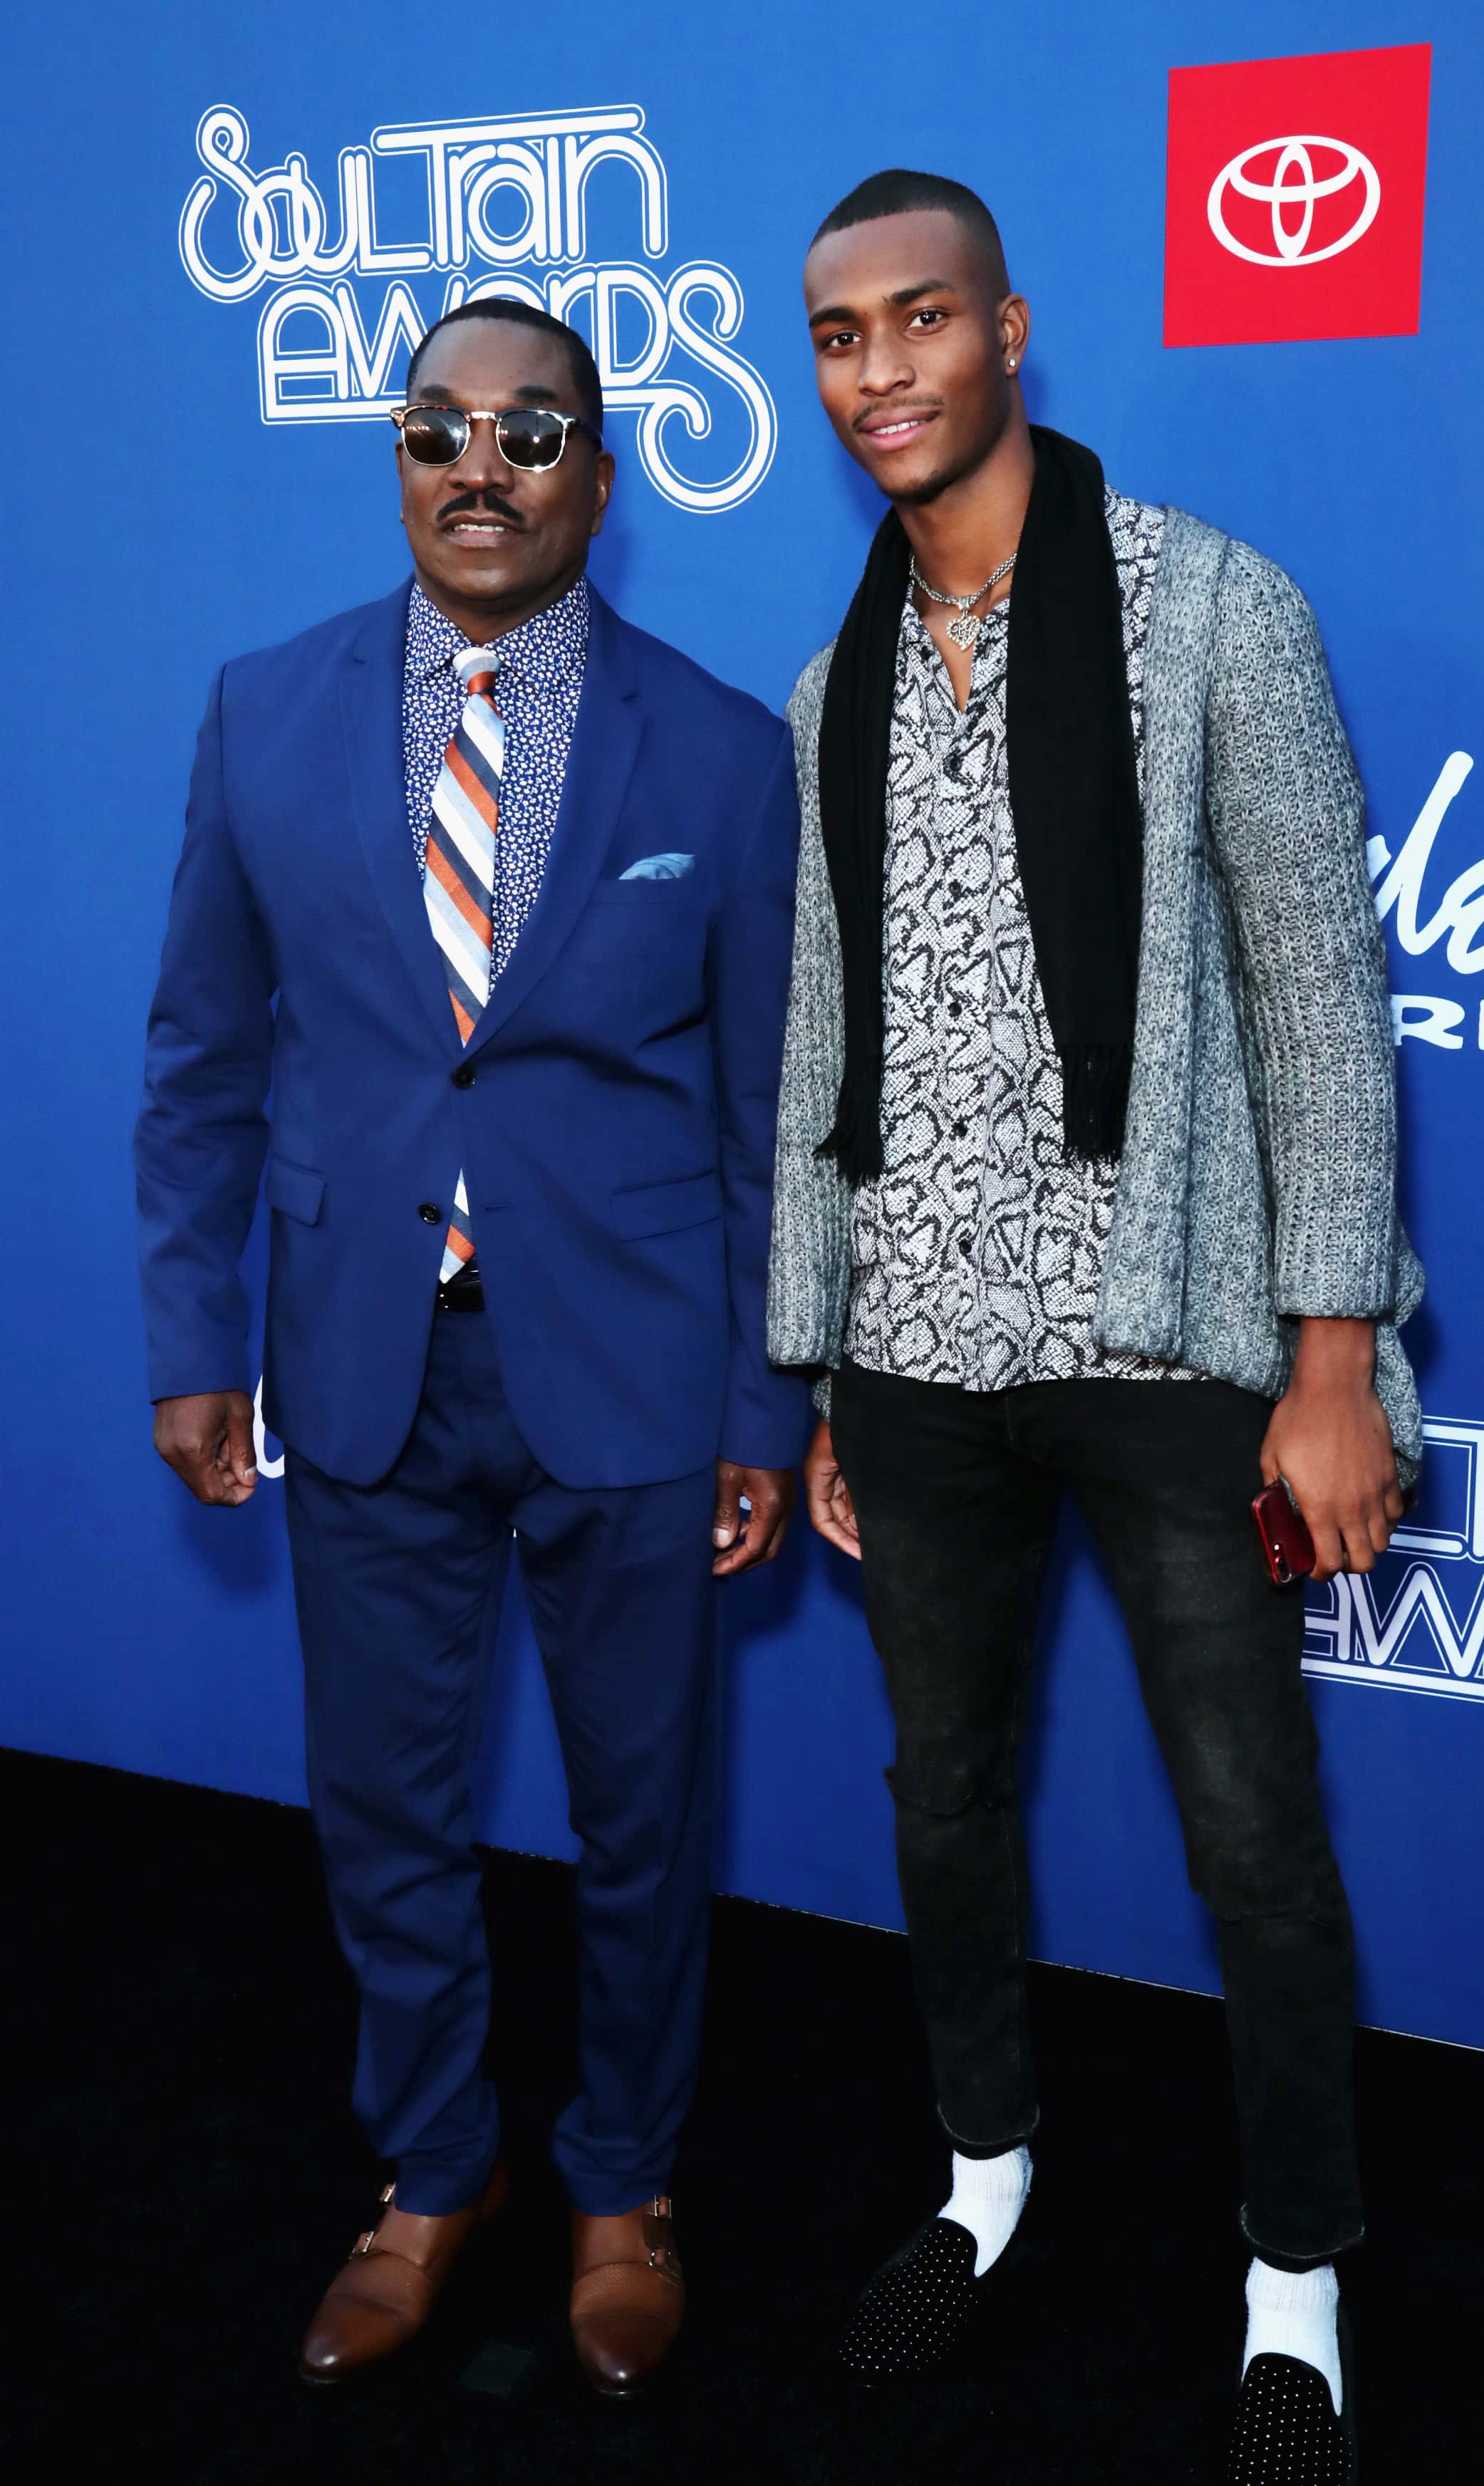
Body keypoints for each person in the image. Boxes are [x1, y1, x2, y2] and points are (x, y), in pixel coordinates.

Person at [767, 170, 1421, 2484]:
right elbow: (826, 1042)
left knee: (1252, 1833)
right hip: (917, 1365)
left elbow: (1323, 1005)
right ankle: (983, 2174)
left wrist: (1331, 1356)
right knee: (941, 1799)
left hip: (1172, 1358)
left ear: (1011, 327)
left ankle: (1295, 2275)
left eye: (920, 318)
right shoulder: (832, 684)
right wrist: (821, 1357)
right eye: (839, 335)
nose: (881, 372)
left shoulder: (1215, 606)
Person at [135, 298, 803, 2398]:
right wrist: (194, 1332)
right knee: (383, 1809)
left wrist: (760, 1397)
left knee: (642, 1818)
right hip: (358, 1360)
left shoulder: (723, 749)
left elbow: (769, 1113)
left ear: (601, 474)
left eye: (530, 432)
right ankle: (435, 2170)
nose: (479, 468)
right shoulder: (264, 710)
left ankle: (624, 2184)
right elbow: (201, 1057)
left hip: (634, 1370)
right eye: (437, 429)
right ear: (398, 461)